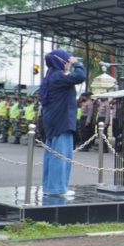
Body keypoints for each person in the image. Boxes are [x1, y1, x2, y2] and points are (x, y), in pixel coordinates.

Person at [38, 49, 87, 197]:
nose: (68, 64)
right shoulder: (59, 75)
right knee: (61, 155)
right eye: (66, 61)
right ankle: (58, 188)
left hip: (53, 121)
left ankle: (49, 187)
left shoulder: (50, 76)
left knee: (52, 155)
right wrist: (76, 63)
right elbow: (80, 76)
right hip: (62, 121)